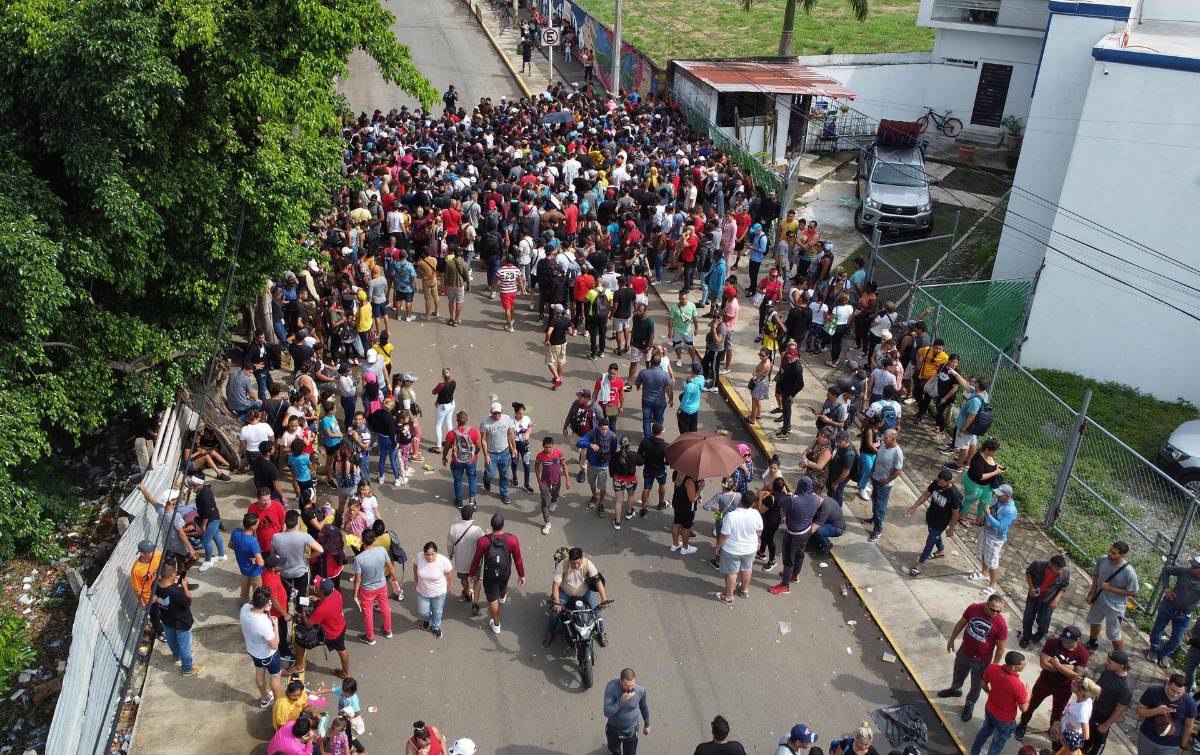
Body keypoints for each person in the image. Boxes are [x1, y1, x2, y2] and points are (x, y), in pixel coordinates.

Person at [938, 594, 1009, 722]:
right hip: (964, 652)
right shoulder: (973, 609)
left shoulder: (1001, 624)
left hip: (982, 661)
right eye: (992, 609)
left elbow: (1000, 648)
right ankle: (955, 690)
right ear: (986, 604)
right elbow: (961, 624)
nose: (995, 613)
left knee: (976, 686)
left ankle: (969, 705)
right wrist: (952, 639)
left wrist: (993, 666)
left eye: (999, 611)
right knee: (958, 673)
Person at [1014, 626, 1090, 742]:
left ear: (1077, 641)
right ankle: (1023, 724)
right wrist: (1070, 668)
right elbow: (1044, 664)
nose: (1064, 643)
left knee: (1057, 712)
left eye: (1068, 642)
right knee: (1031, 704)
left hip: (1064, 688)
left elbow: (1078, 676)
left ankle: (1052, 729)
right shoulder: (1052, 643)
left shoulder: (1082, 653)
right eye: (1064, 639)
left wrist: (1057, 665)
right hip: (1045, 682)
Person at [468, 512, 526, 635]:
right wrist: (521, 575)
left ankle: (496, 625)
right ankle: (503, 597)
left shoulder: (483, 541)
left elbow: (476, 559)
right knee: (503, 586)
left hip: (490, 575)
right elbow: (518, 559)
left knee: (492, 600)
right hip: (505, 571)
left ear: (491, 525)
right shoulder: (512, 539)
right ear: (503, 525)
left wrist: (472, 574)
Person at [545, 546, 610, 647]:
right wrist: (557, 603)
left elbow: (597, 581)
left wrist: (604, 599)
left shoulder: (588, 564)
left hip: (584, 592)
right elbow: (556, 585)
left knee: (597, 612)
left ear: (582, 559)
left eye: (578, 563)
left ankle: (602, 633)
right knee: (555, 613)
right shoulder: (562, 565)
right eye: (573, 563)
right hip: (565, 593)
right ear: (569, 559)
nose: (576, 565)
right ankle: (549, 633)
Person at [769, 477, 821, 595]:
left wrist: (790, 494)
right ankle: (794, 575)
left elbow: (780, 503)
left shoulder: (793, 500)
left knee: (788, 559)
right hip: (807, 530)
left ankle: (785, 585)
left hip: (794, 534)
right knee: (800, 553)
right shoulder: (816, 499)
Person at [970, 651, 1029, 755]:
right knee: (997, 744)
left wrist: (989, 691)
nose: (1025, 665)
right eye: (1023, 664)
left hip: (989, 709)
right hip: (1005, 720)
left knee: (985, 731)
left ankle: (974, 752)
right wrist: (1028, 696)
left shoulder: (993, 668)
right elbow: (1024, 709)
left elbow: (983, 683)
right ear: (1014, 668)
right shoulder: (1017, 685)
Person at [1085, 540, 1139, 652]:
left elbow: (1134, 592)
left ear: (1122, 555)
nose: (1110, 554)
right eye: (1110, 551)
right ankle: (1092, 643)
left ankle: (1120, 658)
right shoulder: (1102, 560)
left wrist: (1111, 588)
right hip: (1099, 600)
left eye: (1114, 553)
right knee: (1094, 622)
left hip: (1115, 607)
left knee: (1114, 634)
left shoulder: (1129, 572)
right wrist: (1092, 593)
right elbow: (1095, 576)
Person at [905, 469, 961, 577]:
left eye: (942, 482)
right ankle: (940, 550)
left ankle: (919, 564)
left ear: (949, 481)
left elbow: (955, 513)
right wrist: (913, 508)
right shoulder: (936, 483)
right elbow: (926, 495)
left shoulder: (954, 495)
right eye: (939, 481)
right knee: (934, 535)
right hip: (931, 516)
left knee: (930, 541)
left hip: (941, 522)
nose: (939, 484)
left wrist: (951, 528)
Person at [1147, 555, 1200, 668]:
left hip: (1184, 616)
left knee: (1177, 639)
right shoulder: (1184, 571)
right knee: (1158, 629)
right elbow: (1166, 570)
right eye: (1193, 565)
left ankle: (1164, 654)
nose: (1192, 567)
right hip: (1167, 607)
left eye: (1195, 566)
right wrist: (1166, 587)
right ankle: (1154, 650)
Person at [352, 529, 400, 645]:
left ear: (362, 541)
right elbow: (390, 567)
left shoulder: (359, 559)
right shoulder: (382, 551)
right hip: (382, 585)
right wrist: (395, 580)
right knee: (385, 608)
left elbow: (358, 579)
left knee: (368, 613)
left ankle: (370, 637)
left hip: (367, 590)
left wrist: (355, 595)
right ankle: (388, 631)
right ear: (374, 539)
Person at [296, 576, 350, 678]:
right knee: (342, 649)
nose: (314, 588)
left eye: (316, 587)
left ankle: (298, 666)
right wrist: (318, 599)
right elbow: (327, 601)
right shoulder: (336, 594)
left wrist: (303, 611)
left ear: (321, 592)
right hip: (340, 626)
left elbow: (308, 623)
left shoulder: (322, 609)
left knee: (299, 639)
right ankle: (345, 672)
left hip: (330, 634)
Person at [715, 491, 763, 605]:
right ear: (752, 503)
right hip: (750, 548)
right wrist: (756, 540)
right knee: (747, 569)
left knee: (731, 572)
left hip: (732, 549)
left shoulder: (731, 516)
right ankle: (744, 590)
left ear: (740, 501)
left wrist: (718, 546)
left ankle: (728, 597)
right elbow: (759, 530)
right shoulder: (756, 513)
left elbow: (724, 535)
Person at [154, 562, 202, 677]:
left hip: (166, 618)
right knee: (185, 645)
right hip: (181, 621)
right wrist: (184, 587)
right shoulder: (176, 591)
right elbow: (188, 601)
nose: (177, 574)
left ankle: (177, 656)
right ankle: (187, 668)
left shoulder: (155, 585)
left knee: (171, 639)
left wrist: (174, 584)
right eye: (175, 572)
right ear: (171, 575)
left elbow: (167, 593)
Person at [240, 586, 283, 709]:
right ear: (265, 604)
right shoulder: (263, 622)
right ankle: (278, 704)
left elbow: (252, 605)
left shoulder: (244, 608)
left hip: (253, 651)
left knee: (259, 672)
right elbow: (275, 645)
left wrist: (265, 607)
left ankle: (264, 699)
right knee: (275, 676)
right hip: (269, 655)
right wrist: (275, 626)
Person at [1135, 673, 1196, 755]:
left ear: (1185, 689)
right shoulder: (1153, 691)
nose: (1175, 694)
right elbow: (1139, 711)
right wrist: (1156, 711)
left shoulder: (1190, 703)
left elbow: (1188, 726)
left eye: (1179, 692)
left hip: (1171, 745)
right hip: (1147, 737)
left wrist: (1182, 746)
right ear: (1168, 683)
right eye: (1172, 690)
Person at [1084, 651, 1132, 755]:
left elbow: (1121, 708)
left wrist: (1107, 724)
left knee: (1098, 742)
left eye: (1110, 662)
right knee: (1086, 736)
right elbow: (1098, 685)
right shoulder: (1108, 670)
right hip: (1093, 709)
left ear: (1121, 666)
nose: (1106, 663)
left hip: (1104, 717)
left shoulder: (1125, 687)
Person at [271, 509, 324, 601]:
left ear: (284, 522)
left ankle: (286, 608)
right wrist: (308, 556)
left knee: (285, 594)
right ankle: (302, 612)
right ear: (297, 523)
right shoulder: (304, 536)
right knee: (302, 595)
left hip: (284, 573)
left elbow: (273, 555)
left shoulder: (276, 537)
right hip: (301, 572)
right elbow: (321, 550)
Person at [1021, 554, 1071, 649]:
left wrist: (1056, 599)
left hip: (1048, 601)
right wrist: (1031, 588)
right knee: (1028, 619)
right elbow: (1028, 573)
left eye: (1061, 569)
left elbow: (1063, 587)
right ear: (1050, 564)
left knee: (1044, 624)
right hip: (1033, 598)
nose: (1059, 571)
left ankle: (1038, 636)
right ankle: (1026, 638)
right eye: (1057, 569)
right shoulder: (1038, 564)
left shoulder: (1065, 573)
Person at [976, 484, 1018, 596]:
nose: (997, 496)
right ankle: (984, 572)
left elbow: (1001, 527)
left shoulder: (1010, 511)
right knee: (984, 552)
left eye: (1000, 495)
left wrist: (988, 515)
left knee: (993, 561)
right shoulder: (999, 500)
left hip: (995, 538)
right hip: (986, 531)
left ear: (1008, 496)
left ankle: (993, 584)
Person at [864, 429, 903, 543]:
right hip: (876, 479)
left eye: (886, 438)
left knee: (881, 506)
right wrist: (872, 472)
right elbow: (877, 459)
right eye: (883, 437)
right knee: (874, 499)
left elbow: (898, 470)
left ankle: (877, 530)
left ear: (893, 438)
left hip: (884, 484)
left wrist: (887, 480)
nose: (883, 439)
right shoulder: (883, 445)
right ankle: (874, 518)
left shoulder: (897, 452)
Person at [447, 504, 485, 618]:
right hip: (475, 562)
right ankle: (475, 604)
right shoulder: (477, 530)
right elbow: (483, 543)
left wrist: (451, 554)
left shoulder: (453, 528)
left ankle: (467, 592)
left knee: (463, 578)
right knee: (477, 580)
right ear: (472, 515)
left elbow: (450, 544)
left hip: (461, 561)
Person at [603, 668, 650, 755]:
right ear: (620, 681)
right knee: (613, 749)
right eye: (626, 685)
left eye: (632, 685)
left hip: (631, 730)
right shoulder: (611, 687)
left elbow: (644, 707)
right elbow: (607, 712)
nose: (629, 688)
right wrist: (621, 702)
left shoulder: (640, 690)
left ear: (635, 680)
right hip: (614, 729)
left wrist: (647, 724)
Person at [413, 542, 454, 639]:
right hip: (422, 591)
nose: (430, 557)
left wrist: (450, 585)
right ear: (424, 553)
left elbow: (449, 574)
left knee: (437, 611)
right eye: (427, 554)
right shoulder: (419, 557)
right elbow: (415, 567)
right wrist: (415, 580)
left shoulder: (443, 561)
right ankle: (426, 619)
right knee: (423, 612)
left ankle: (436, 627)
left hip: (438, 592)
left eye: (432, 554)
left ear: (436, 553)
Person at [578, 416, 618, 517]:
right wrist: (590, 445)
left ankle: (601, 504)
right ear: (598, 427)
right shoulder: (592, 433)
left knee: (602, 487)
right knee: (591, 483)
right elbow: (579, 442)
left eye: (606, 429)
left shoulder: (612, 436)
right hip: (592, 464)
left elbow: (614, 450)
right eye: (603, 429)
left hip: (603, 466)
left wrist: (613, 464)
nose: (605, 431)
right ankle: (594, 496)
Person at [480, 400, 517, 505]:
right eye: (494, 413)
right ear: (491, 412)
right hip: (491, 453)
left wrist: (514, 448)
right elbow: (483, 439)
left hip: (504, 452)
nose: (496, 415)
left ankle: (504, 493)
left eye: (498, 413)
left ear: (501, 412)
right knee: (490, 474)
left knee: (504, 474)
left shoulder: (507, 419)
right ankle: (486, 480)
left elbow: (510, 434)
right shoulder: (485, 422)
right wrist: (486, 455)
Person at [442, 410, 481, 508]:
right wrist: (475, 454)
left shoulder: (451, 433)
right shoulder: (474, 431)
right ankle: (472, 500)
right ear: (467, 420)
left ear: (457, 420)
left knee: (458, 480)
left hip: (457, 461)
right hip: (470, 460)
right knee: (472, 478)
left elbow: (446, 447)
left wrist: (444, 457)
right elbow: (478, 446)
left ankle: (459, 501)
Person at [534, 435, 571, 535]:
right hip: (545, 483)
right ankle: (547, 523)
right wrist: (538, 479)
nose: (548, 449)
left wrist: (567, 480)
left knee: (554, 496)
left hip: (556, 481)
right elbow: (536, 466)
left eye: (550, 447)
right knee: (545, 503)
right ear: (543, 446)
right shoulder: (540, 456)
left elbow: (564, 465)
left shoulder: (558, 453)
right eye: (546, 447)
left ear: (553, 446)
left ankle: (554, 502)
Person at [131, 539, 164, 639]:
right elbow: (137, 590)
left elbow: (162, 566)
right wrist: (141, 603)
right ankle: (161, 632)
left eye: (153, 549)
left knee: (166, 607)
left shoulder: (157, 554)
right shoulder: (136, 570)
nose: (153, 552)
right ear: (142, 554)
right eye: (150, 552)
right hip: (149, 597)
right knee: (155, 616)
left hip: (161, 589)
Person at [634, 355, 673, 441]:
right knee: (658, 420)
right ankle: (657, 437)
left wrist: (638, 387)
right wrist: (671, 399)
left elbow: (637, 383)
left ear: (651, 362)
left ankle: (647, 439)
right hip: (660, 402)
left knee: (647, 420)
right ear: (659, 363)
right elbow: (668, 389)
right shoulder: (665, 375)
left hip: (647, 401)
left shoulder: (643, 372)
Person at [609, 436, 644, 529]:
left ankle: (617, 523)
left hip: (618, 480)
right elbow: (641, 462)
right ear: (630, 444)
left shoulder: (614, 455)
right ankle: (629, 513)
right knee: (631, 496)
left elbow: (611, 469)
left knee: (619, 501)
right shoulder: (634, 455)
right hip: (631, 480)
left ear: (619, 445)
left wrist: (613, 476)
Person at [231, 512, 265, 603]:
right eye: (257, 523)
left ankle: (243, 602)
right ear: (252, 527)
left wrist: (241, 551)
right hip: (255, 571)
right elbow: (261, 563)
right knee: (257, 590)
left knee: (244, 587)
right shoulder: (253, 542)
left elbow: (231, 545)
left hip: (243, 568)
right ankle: (256, 604)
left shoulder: (235, 532)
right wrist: (258, 560)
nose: (258, 523)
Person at [638, 423, 670, 516]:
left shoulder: (645, 442)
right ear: (661, 432)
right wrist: (665, 463)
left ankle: (644, 508)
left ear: (652, 431)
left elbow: (639, 454)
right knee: (662, 484)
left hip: (648, 469)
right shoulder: (665, 445)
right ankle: (661, 503)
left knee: (647, 488)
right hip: (660, 470)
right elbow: (668, 461)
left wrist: (644, 460)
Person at [671, 470, 703, 555]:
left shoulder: (679, 474)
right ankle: (685, 547)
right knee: (686, 527)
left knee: (676, 523)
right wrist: (700, 488)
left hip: (677, 504)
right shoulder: (689, 481)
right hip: (687, 508)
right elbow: (692, 499)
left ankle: (675, 544)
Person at [544, 303, 572, 389]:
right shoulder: (567, 320)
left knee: (550, 362)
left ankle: (557, 379)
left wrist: (547, 340)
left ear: (555, 311)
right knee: (561, 361)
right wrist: (563, 331)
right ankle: (557, 379)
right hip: (563, 343)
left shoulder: (553, 321)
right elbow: (570, 332)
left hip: (554, 345)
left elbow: (549, 333)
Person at [677, 362, 704, 434]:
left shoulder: (689, 387)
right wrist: (691, 380)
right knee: (693, 429)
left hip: (686, 410)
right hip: (695, 409)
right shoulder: (702, 379)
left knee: (684, 431)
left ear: (692, 371)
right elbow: (697, 380)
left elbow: (685, 400)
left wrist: (680, 409)